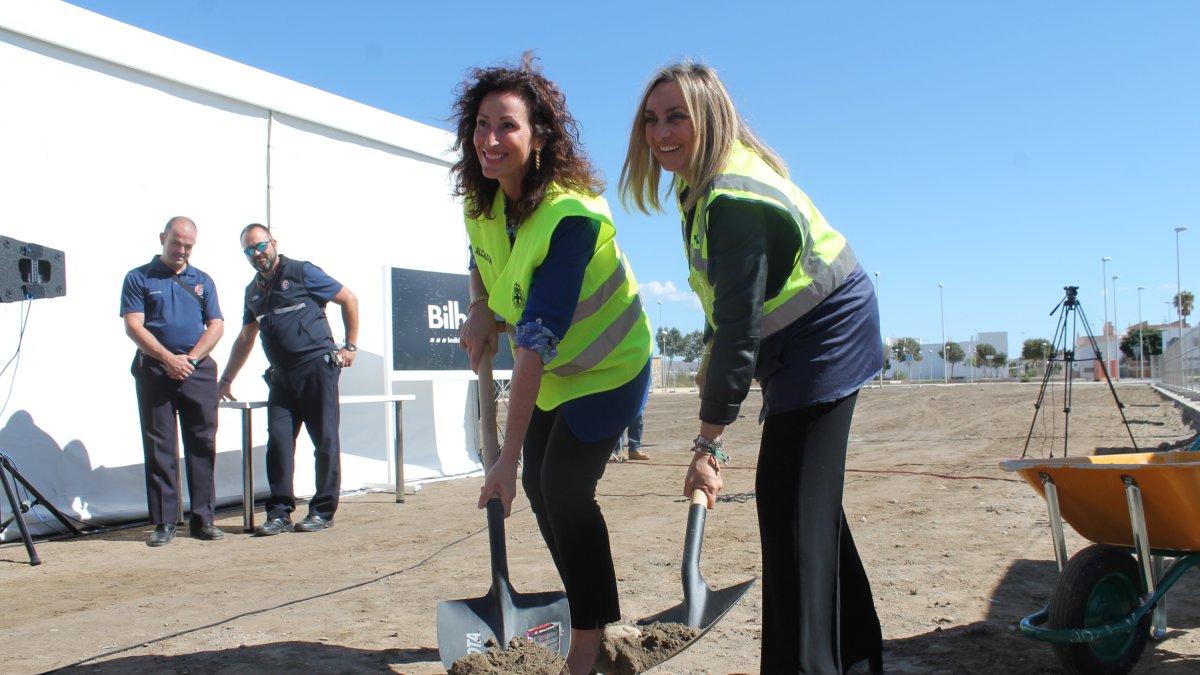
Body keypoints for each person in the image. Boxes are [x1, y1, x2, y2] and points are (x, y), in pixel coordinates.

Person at [620, 62, 885, 674]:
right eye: (652, 118)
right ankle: (857, 656)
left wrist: (707, 444)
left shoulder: (733, 196)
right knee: (806, 505)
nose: (662, 131)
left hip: (828, 336)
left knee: (790, 508)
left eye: (677, 116)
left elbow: (742, 326)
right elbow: (729, 307)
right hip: (795, 344)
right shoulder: (702, 187)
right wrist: (712, 363)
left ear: (709, 117)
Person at [452, 54, 653, 675]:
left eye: (506, 126)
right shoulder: (483, 203)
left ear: (539, 137)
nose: (490, 139)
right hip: (558, 375)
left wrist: (503, 463)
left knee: (561, 485)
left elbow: (534, 341)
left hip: (610, 368)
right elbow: (484, 264)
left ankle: (591, 642)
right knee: (542, 489)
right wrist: (483, 306)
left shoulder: (571, 217)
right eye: (481, 125)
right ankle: (590, 610)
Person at [218, 224, 359, 537]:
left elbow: (348, 298)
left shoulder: (301, 271)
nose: (257, 254)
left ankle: (323, 511)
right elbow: (245, 337)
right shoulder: (252, 291)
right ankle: (279, 513)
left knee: (324, 440)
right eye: (249, 250)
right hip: (281, 377)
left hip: (316, 368)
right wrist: (226, 378)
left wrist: (350, 346)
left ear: (273, 243)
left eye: (260, 246)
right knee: (279, 444)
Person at [121, 216, 225, 546]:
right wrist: (168, 359)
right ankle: (165, 521)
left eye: (188, 246)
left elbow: (217, 325)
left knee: (202, 444)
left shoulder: (203, 280)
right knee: (160, 446)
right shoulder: (138, 277)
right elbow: (134, 326)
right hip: (156, 370)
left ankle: (203, 518)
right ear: (163, 238)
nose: (182, 250)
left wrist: (190, 360)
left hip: (197, 370)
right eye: (176, 243)